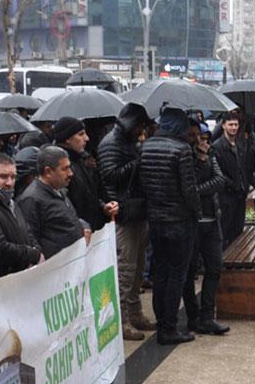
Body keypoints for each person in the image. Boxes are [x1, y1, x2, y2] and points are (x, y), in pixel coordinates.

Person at [140, 108, 200, 345]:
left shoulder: (146, 147)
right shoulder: (182, 149)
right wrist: (196, 212)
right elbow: (189, 189)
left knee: (161, 273)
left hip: (155, 219)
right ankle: (169, 327)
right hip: (179, 220)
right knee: (177, 274)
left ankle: (161, 323)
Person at [97, 104, 153, 337]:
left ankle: (135, 312)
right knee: (125, 271)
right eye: (140, 125)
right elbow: (110, 175)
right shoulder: (111, 143)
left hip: (136, 211)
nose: (141, 130)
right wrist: (137, 161)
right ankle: (122, 320)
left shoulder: (129, 141)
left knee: (137, 269)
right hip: (123, 214)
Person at [182, 121, 230, 336]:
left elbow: (219, 180)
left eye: (202, 137)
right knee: (189, 271)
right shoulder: (185, 158)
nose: (200, 141)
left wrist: (199, 189)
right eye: (195, 137)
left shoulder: (209, 155)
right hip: (193, 221)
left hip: (212, 220)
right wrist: (201, 163)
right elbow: (188, 186)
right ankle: (193, 316)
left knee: (214, 267)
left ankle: (207, 315)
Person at [20, 146, 92, 259]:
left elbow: (68, 219)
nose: (70, 173)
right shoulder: (32, 199)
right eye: (65, 169)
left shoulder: (58, 190)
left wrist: (83, 226)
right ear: (48, 171)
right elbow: (31, 239)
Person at [54, 117, 118, 231]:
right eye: (81, 134)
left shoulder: (83, 161)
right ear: (68, 139)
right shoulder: (58, 168)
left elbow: (90, 195)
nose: (87, 138)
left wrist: (103, 207)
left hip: (93, 230)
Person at [213, 113, 249, 246]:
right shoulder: (217, 146)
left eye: (236, 125)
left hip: (240, 193)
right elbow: (218, 172)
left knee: (238, 230)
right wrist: (232, 185)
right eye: (231, 125)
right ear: (223, 125)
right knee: (225, 229)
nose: (234, 128)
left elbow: (244, 167)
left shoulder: (241, 143)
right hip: (226, 195)